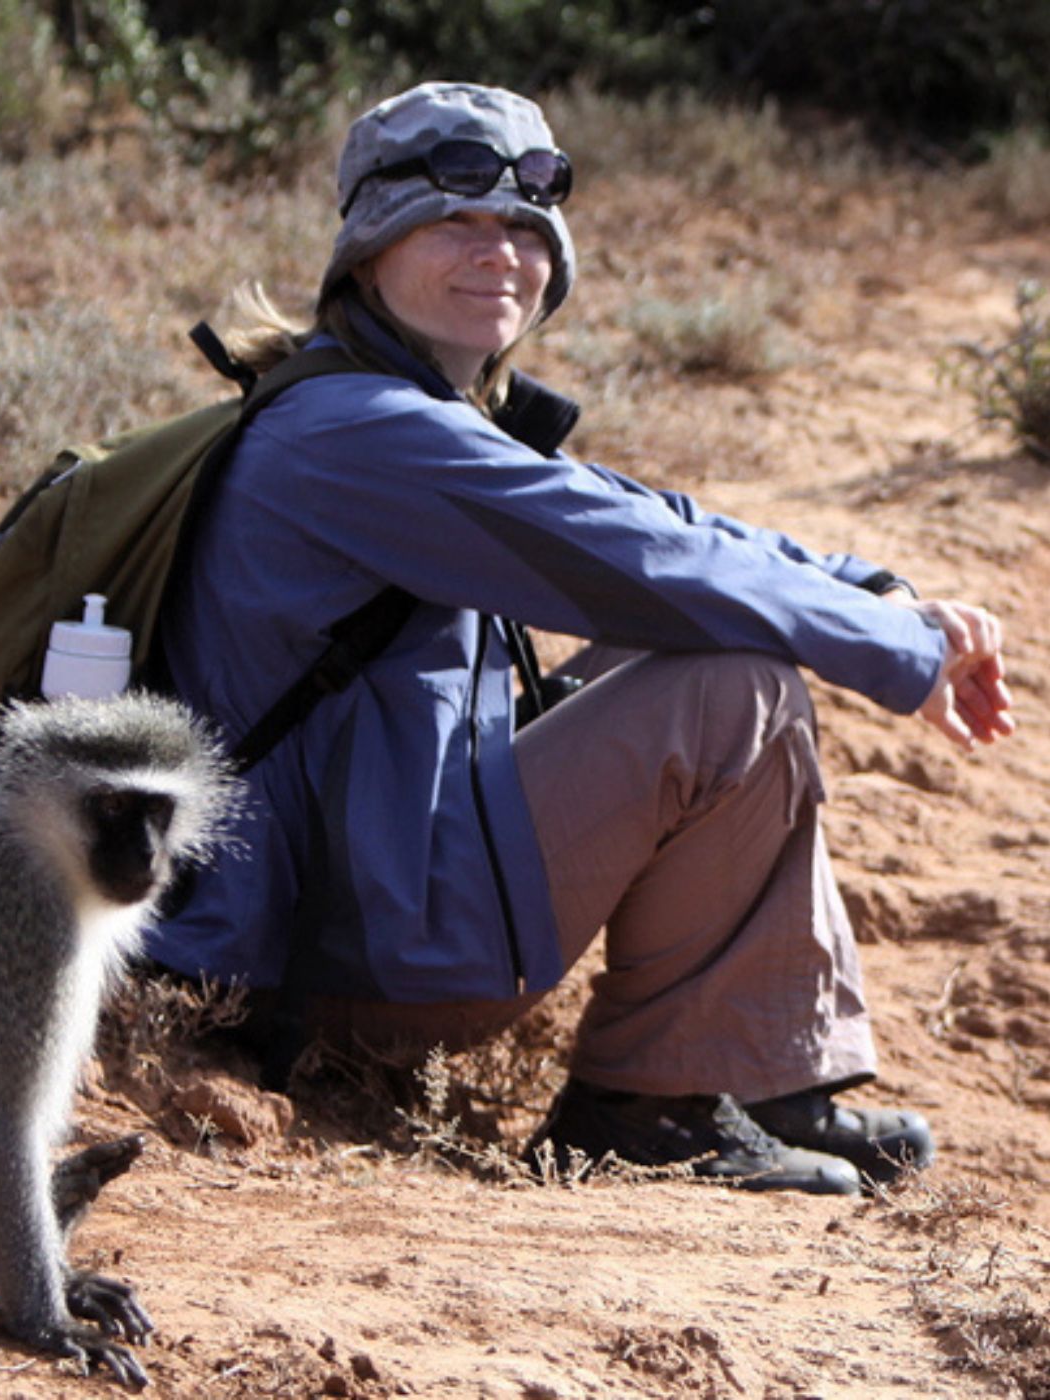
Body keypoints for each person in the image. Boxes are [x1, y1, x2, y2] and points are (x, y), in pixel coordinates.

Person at [145, 82, 1015, 1194]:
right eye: (451, 223)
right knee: (733, 692)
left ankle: (753, 1082)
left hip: (354, 898)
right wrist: (896, 650)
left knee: (700, 655)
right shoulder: (359, 432)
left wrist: (873, 591)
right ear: (368, 252)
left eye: (524, 229)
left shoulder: (388, 402)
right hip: (324, 961)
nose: (496, 253)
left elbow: (655, 519)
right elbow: (641, 561)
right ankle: (645, 1113)